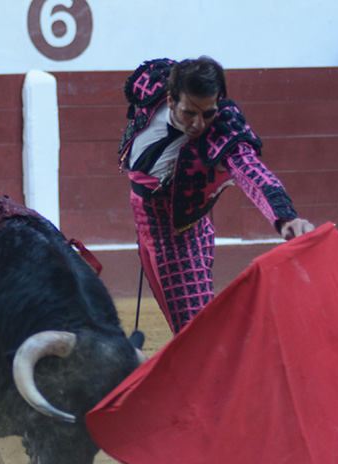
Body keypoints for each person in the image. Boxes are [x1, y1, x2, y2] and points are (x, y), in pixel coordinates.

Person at [118, 57, 315, 334]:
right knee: (183, 329)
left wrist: (285, 218)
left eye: (208, 112)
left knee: (198, 334)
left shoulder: (223, 128)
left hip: (180, 237)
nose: (199, 124)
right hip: (145, 220)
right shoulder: (155, 83)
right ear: (171, 100)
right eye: (190, 113)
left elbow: (252, 171)